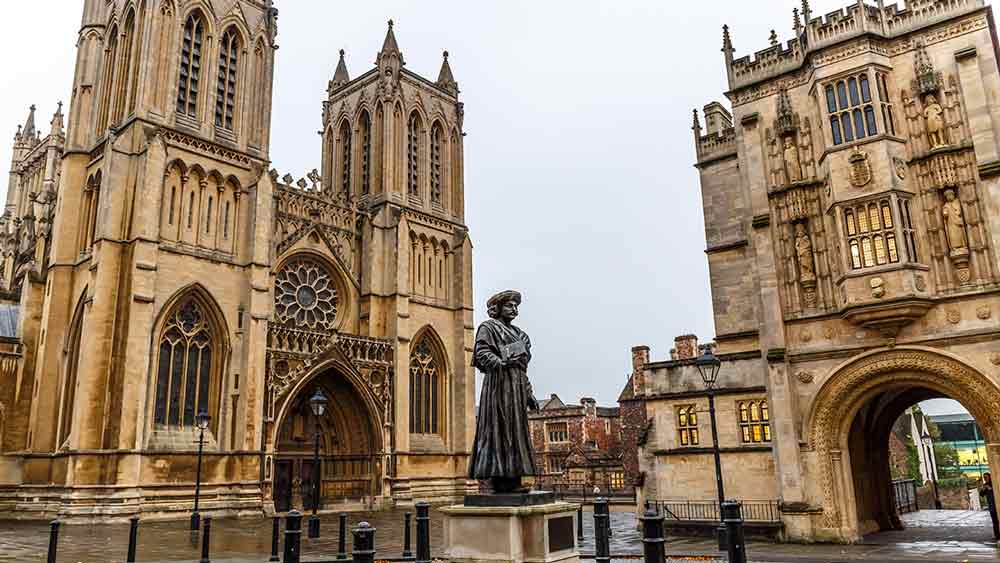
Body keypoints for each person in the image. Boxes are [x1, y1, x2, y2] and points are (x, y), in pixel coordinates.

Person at [468, 290, 538, 494]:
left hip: (516, 388)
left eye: (516, 306)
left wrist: (529, 392)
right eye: (509, 305)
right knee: (499, 429)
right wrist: (500, 362)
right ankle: (498, 478)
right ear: (497, 308)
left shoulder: (521, 335)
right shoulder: (488, 328)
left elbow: (522, 368)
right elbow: (481, 353)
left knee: (516, 431)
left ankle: (514, 477)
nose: (514, 309)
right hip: (498, 385)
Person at [982, 473, 999, 541]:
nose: (985, 479)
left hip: (996, 504)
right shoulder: (985, 485)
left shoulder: (993, 483)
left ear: (990, 477)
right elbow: (981, 494)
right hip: (991, 506)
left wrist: (990, 488)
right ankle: (997, 535)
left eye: (986, 477)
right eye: (984, 477)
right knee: (994, 522)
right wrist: (983, 489)